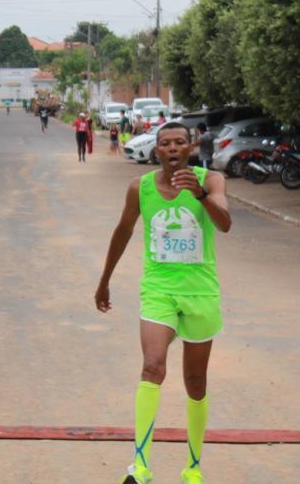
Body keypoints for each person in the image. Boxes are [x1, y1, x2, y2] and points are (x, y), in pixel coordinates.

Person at [94, 121, 231, 484]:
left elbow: (225, 223)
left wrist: (201, 195)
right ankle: (139, 467)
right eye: (165, 143)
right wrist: (104, 280)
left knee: (196, 381)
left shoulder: (211, 180)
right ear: (156, 150)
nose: (172, 148)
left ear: (191, 147)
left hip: (200, 292)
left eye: (179, 142)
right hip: (158, 290)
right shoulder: (139, 188)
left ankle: (193, 468)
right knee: (152, 366)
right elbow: (123, 231)